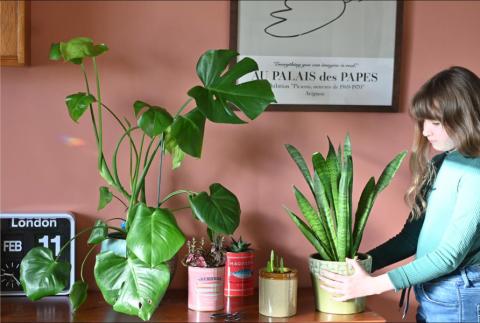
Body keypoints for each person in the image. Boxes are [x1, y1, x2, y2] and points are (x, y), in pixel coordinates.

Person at [320, 66, 480, 323]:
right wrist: (360, 263)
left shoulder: (476, 174)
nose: (426, 131)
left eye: (436, 122)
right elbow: (410, 238)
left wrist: (372, 285)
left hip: (460, 294)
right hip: (434, 291)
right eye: (423, 121)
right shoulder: (442, 164)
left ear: (466, 118)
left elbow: (449, 257)